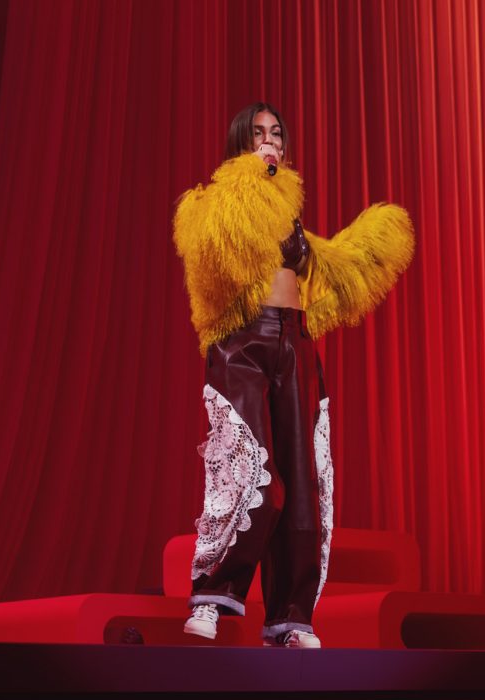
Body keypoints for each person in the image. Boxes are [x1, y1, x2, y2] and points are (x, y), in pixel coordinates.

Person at [171, 102, 415, 647]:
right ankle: (211, 595)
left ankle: (290, 618)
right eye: (258, 133)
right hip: (243, 343)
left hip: (295, 342)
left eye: (276, 133)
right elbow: (212, 255)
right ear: (240, 144)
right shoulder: (216, 204)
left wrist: (366, 243)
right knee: (252, 472)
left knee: (304, 484)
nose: (270, 141)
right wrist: (254, 180)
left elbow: (325, 269)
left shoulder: (289, 214)